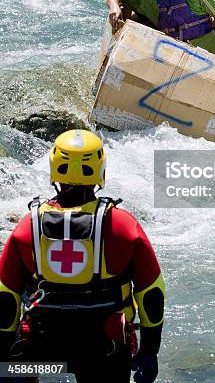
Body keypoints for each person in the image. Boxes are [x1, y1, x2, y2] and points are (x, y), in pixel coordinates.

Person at [0, 129, 165, 383]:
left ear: (55, 167)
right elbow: (152, 294)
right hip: (102, 351)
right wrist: (149, 351)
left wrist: (5, 357)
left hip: (42, 352)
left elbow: (5, 298)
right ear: (100, 169)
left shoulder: (27, 227)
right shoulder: (122, 226)